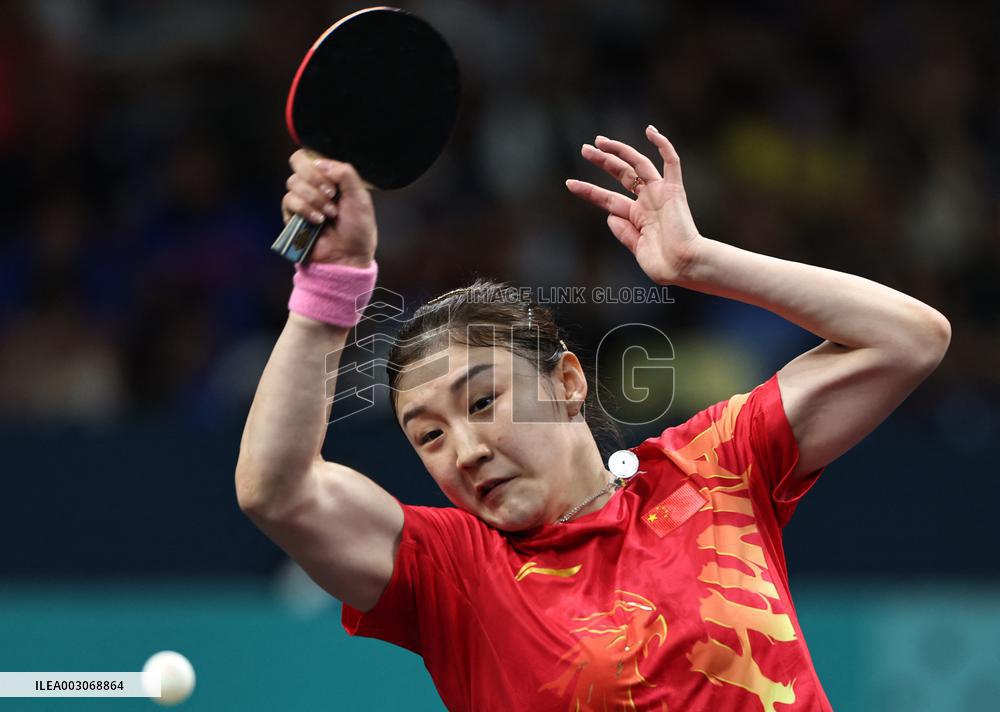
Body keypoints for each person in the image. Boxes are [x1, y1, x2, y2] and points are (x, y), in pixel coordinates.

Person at [236, 126, 950, 711]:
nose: (466, 450)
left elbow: (911, 338)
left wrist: (701, 262)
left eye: (483, 402)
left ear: (568, 382)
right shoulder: (453, 573)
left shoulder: (709, 470)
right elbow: (278, 490)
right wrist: (331, 286)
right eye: (429, 436)